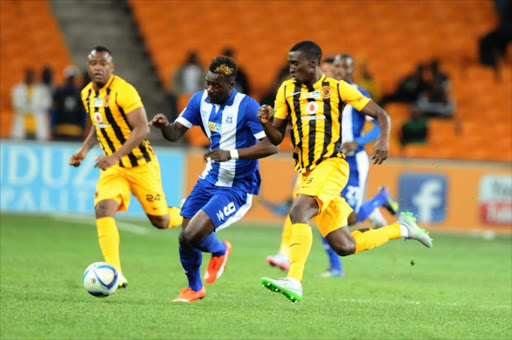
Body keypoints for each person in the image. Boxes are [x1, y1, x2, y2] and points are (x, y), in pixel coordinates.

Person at [257, 40, 433, 302]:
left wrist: (383, 140)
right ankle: (402, 229)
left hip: (333, 164)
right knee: (344, 245)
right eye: (289, 63)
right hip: (308, 169)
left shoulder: (339, 88)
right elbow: (275, 138)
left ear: (314, 63)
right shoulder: (286, 90)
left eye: (296, 63)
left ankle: (294, 279)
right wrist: (266, 123)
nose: (291, 69)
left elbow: (382, 114)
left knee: (299, 210)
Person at [149, 55, 278, 303]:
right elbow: (175, 133)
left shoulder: (247, 106)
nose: (210, 88)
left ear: (231, 85)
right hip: (209, 179)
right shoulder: (200, 100)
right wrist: (165, 125)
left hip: (237, 186)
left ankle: (219, 249)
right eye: (208, 82)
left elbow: (271, 146)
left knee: (195, 234)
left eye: (216, 85)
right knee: (185, 236)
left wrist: (230, 154)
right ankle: (194, 288)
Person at [265, 54, 400, 278]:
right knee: (320, 213)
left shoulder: (353, 92)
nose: (339, 70)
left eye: (344, 67)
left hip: (351, 160)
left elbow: (378, 120)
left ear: (351, 70)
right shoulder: (321, 91)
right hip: (322, 162)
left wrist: (361, 142)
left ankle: (380, 201)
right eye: (336, 66)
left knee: (341, 216)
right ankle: (332, 265)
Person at [69, 46, 183, 288]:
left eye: (103, 63)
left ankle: (184, 212)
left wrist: (115, 155)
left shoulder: (124, 90)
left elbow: (143, 128)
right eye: (93, 63)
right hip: (114, 169)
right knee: (103, 209)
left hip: (141, 164)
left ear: (112, 67)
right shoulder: (87, 94)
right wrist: (84, 150)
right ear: (88, 67)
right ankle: (115, 273)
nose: (98, 67)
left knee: (161, 221)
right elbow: (99, 126)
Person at [11, 68, 52, 140]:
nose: (29, 77)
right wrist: (34, 106)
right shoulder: (17, 89)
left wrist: (29, 106)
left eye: (31, 75)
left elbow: (47, 104)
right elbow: (16, 104)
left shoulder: (42, 90)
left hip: (38, 126)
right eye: (28, 75)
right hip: (22, 126)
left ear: (34, 76)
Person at [52, 66, 86, 141]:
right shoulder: (60, 91)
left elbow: (82, 111)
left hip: (75, 129)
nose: (72, 80)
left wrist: (83, 128)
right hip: (61, 128)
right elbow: (55, 109)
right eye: (71, 78)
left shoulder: (79, 92)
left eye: (73, 78)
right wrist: (53, 126)